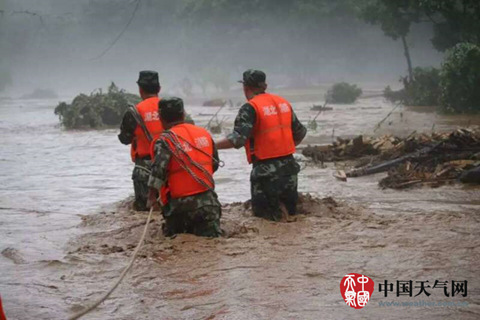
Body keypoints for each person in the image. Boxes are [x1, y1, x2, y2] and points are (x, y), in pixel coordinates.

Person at [216, 69, 307, 221]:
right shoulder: (283, 103)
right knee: (290, 217)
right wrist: (282, 147)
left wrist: (211, 145)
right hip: (290, 169)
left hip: (265, 173)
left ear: (246, 87)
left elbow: (237, 139)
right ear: (264, 85)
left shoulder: (250, 107)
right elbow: (301, 132)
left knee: (265, 221)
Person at [147, 97, 222, 237]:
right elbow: (215, 164)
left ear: (161, 118)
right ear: (183, 114)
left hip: (180, 207)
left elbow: (158, 172)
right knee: (211, 247)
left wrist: (151, 197)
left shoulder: (165, 140)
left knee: (176, 247)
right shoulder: (204, 134)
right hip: (209, 203)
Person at [118, 71, 163, 211]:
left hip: (144, 167)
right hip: (171, 165)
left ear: (140, 89)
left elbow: (125, 139)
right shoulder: (172, 108)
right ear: (159, 89)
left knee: (144, 211)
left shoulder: (134, 112)